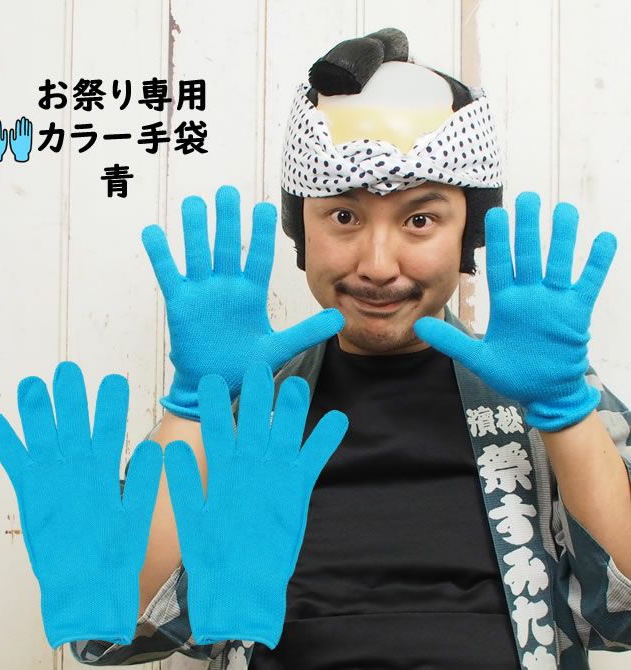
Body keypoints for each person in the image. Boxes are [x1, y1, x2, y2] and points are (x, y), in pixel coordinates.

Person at [71, 28, 631, 669]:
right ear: (301, 228)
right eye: (344, 216)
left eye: (420, 219)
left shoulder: (542, 391)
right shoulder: (245, 406)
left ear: (467, 234)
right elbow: (108, 627)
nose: (378, 264)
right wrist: (197, 407)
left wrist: (564, 411)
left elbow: (623, 612)